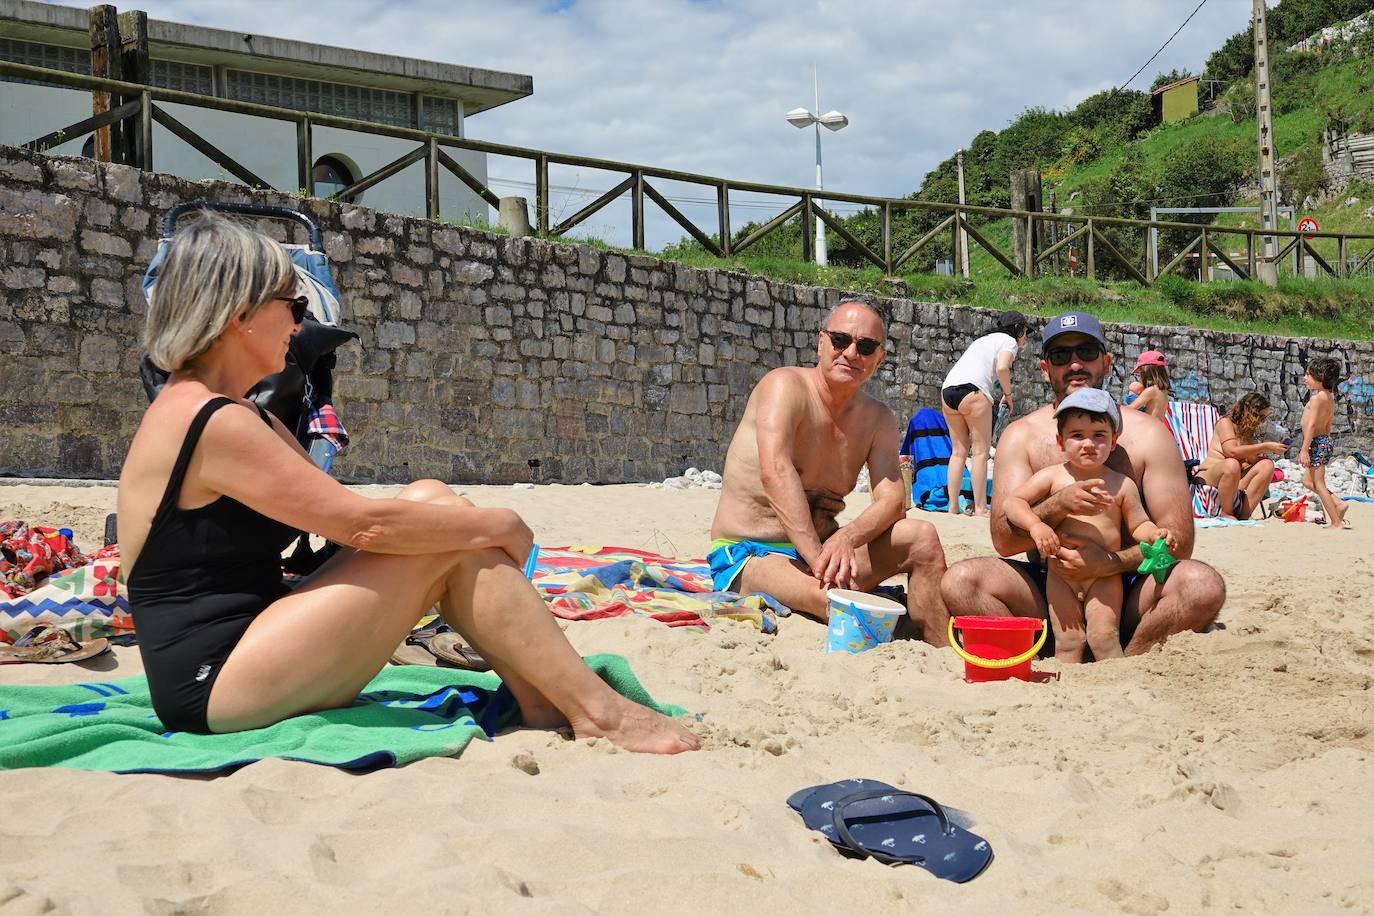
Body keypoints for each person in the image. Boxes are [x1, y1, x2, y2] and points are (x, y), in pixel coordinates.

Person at [117, 212, 698, 754]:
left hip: (252, 643)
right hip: (213, 684)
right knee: (450, 535)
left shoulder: (241, 413)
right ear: (239, 314)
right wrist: (496, 523)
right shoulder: (210, 420)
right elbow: (363, 526)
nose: (301, 322)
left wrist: (450, 524)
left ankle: (546, 699)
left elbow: (353, 520)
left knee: (431, 501)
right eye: (292, 304)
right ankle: (597, 712)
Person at [940, 311, 1225, 656]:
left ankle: (1132, 659)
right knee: (961, 582)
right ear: (1046, 370)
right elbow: (1004, 539)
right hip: (1052, 581)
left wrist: (1109, 562)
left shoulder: (1148, 435)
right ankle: (1043, 651)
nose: (1075, 364)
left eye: (1086, 353)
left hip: (1127, 584)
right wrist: (1057, 504)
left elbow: (1179, 542)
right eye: (1061, 356)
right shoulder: (1023, 437)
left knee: (1201, 585)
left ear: (1106, 362)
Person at [707, 299, 951, 644]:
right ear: (821, 342)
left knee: (921, 537)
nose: (851, 353)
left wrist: (846, 538)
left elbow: (894, 499)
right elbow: (775, 473)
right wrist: (820, 559)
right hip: (752, 551)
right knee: (835, 600)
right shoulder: (784, 387)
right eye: (840, 340)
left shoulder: (877, 419)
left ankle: (940, 648)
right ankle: (890, 621)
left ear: (879, 359)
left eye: (865, 347)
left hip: (826, 552)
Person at [1004, 389, 1176, 663]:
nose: (1088, 444)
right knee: (1068, 641)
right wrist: (1036, 526)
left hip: (1104, 577)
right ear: (1060, 441)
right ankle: (1068, 693)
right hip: (1060, 574)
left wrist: (1154, 534)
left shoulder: (1121, 484)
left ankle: (1116, 686)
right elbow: (1013, 503)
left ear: (1114, 441)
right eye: (1077, 435)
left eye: (1099, 436)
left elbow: (1138, 524)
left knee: (1104, 636)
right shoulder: (1053, 477)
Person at [939, 311, 1032, 516]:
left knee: (958, 452)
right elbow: (1002, 368)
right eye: (1026, 332)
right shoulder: (1010, 342)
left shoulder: (984, 340)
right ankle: (980, 508)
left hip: (948, 391)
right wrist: (1008, 395)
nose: (1026, 336)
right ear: (1018, 330)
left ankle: (952, 507)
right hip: (973, 391)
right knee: (980, 453)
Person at [1194, 392, 1286, 520]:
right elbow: (1230, 451)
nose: (1262, 421)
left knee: (1267, 465)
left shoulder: (1248, 432)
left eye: (1264, 418)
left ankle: (1245, 514)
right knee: (1232, 464)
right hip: (1211, 475)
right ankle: (1226, 513)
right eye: (1260, 417)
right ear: (1249, 412)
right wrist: (1264, 446)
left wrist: (1271, 447)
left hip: (1234, 480)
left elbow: (1251, 461)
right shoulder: (1225, 423)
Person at [1299, 355, 1347, 530]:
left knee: (1319, 483)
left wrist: (1305, 449)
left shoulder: (1317, 398)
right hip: (1323, 441)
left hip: (1316, 443)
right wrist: (1326, 441)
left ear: (1319, 378)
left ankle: (1336, 522)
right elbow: (1328, 422)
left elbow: (1311, 425)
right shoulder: (1328, 397)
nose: (1305, 378)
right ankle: (1337, 503)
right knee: (1307, 480)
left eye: (1308, 375)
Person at [1125, 350, 1170, 422]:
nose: (1140, 376)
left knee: (1129, 397)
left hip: (1150, 428)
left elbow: (1130, 409)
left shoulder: (1151, 391)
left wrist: (1116, 408)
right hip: (1159, 428)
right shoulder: (1163, 390)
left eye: (1140, 372)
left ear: (1146, 372)